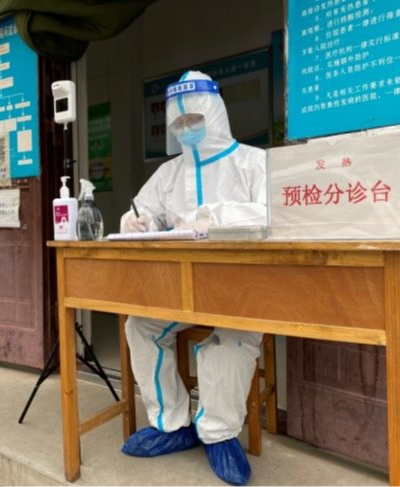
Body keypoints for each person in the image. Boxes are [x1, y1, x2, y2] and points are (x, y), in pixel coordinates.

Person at [119, 70, 267, 486]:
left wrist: (218, 217)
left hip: (243, 290)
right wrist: (137, 221)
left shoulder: (252, 162)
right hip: (180, 290)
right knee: (139, 326)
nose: (187, 129)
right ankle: (173, 424)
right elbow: (144, 211)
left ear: (215, 115)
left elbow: (274, 214)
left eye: (195, 120)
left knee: (230, 342)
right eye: (179, 123)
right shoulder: (168, 174)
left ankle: (219, 434)